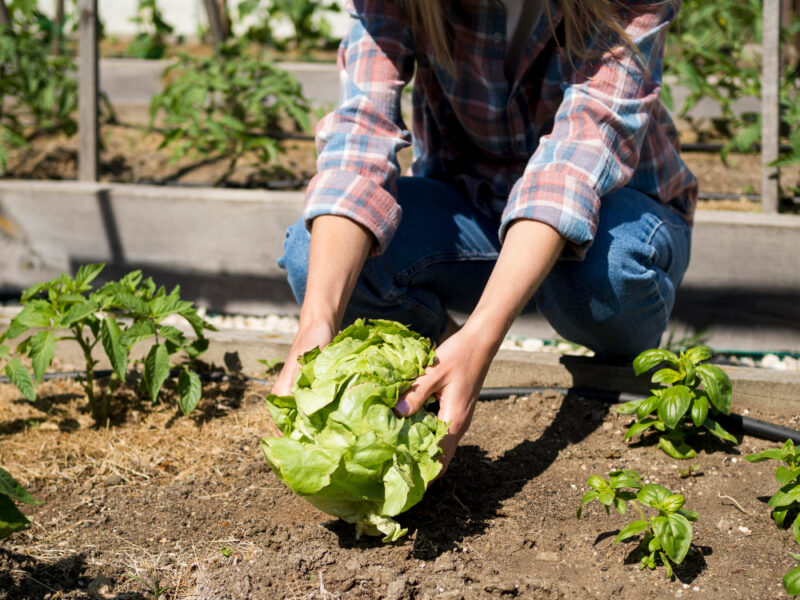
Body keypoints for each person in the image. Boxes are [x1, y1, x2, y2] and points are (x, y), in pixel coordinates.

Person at [272, 0, 697, 471]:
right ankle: (444, 367)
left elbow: (576, 158)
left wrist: (484, 333)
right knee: (314, 257)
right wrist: (315, 325)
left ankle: (614, 369)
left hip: (616, 214)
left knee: (602, 274)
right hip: (476, 209)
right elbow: (360, 135)